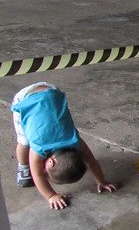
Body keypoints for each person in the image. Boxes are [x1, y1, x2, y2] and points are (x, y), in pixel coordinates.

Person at [11, 82, 118, 210]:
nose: (43, 171)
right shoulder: (39, 145)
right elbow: (37, 175)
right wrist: (51, 196)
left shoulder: (75, 140)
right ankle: (22, 168)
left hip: (52, 91)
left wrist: (102, 181)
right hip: (25, 99)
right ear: (50, 162)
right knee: (23, 142)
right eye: (47, 172)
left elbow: (91, 162)